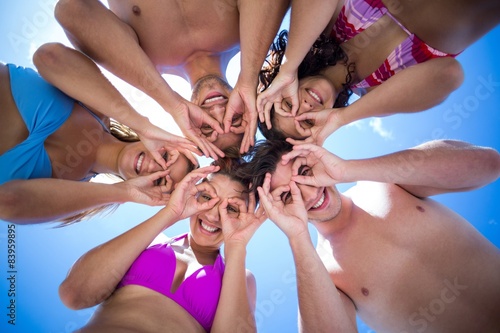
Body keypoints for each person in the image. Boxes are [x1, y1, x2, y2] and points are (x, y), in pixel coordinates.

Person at [240, 139, 500, 332]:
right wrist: (297, 236)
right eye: (287, 195)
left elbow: (489, 164)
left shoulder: (385, 182)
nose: (309, 194)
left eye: (305, 173)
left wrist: (346, 170)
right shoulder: (325, 275)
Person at [53, 0, 290, 157]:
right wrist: (248, 79)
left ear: (193, 128)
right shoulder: (246, 31)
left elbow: (71, 10)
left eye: (208, 130)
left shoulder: (142, 60)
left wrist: (171, 103)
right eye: (235, 119)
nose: (217, 113)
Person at [59, 161, 266, 333]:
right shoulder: (150, 240)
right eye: (207, 197)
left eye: (231, 208)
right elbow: (74, 293)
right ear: (194, 193)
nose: (213, 215)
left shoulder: (239, 276)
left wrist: (237, 246)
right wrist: (171, 213)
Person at [256, 0, 500, 144]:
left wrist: (288, 69)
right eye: (306, 122)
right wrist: (342, 118)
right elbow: (450, 74)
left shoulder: (321, 25)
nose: (305, 107)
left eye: (289, 106)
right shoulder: (376, 93)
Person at [0, 62, 197, 225]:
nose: (154, 167)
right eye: (164, 157)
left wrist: (124, 192)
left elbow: (7, 202)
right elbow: (48, 57)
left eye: (160, 180)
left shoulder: (73, 195)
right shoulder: (98, 107)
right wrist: (142, 126)